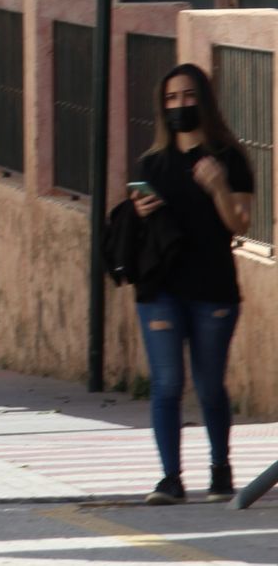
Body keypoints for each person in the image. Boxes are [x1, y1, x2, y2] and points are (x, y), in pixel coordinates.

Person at [129, 63, 251, 506]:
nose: (179, 105)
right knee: (166, 383)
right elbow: (138, 232)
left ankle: (220, 470)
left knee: (210, 385)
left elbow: (240, 223)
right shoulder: (151, 164)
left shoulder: (228, 158)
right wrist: (138, 212)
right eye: (171, 98)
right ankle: (170, 479)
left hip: (212, 288)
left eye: (187, 96)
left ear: (204, 100)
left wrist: (218, 187)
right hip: (160, 290)